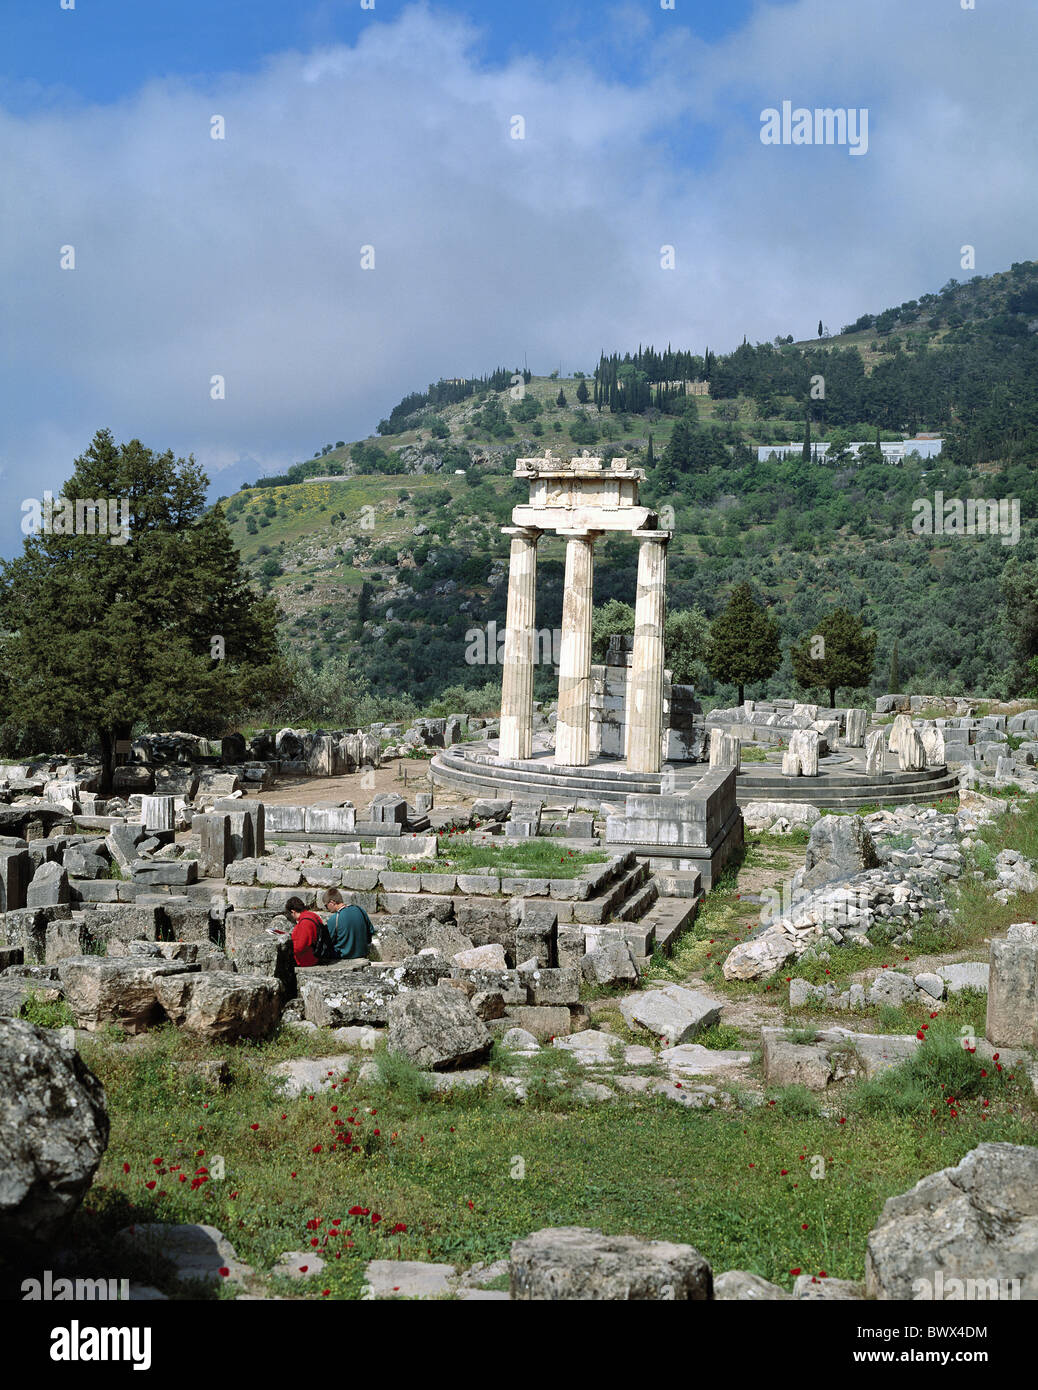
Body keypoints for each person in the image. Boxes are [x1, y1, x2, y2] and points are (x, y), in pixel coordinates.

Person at [322, 889, 373, 961]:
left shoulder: (334, 919)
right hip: (362, 954)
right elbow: (370, 932)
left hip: (343, 956)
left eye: (326, 905)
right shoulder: (360, 910)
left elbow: (328, 942)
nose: (326, 908)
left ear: (332, 902)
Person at [285, 896, 328, 967]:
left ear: (293, 912)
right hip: (315, 954)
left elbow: (299, 947)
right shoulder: (312, 915)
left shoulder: (305, 922)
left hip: (308, 960)